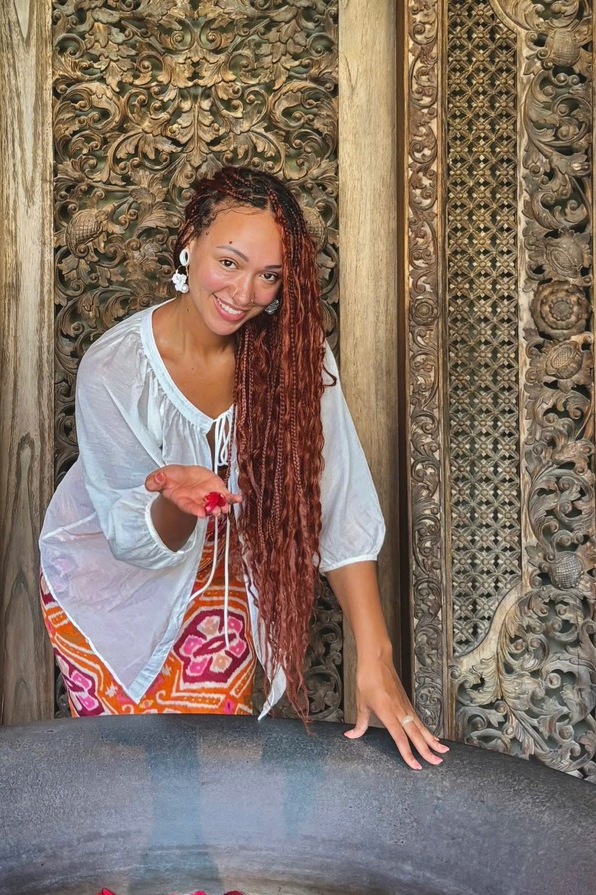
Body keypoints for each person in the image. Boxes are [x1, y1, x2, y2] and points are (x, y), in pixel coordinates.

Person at [39, 166, 448, 770]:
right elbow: (129, 538)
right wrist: (175, 505)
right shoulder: (114, 368)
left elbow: (335, 499)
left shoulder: (296, 353)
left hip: (225, 587)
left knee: (209, 786)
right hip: (109, 591)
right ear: (189, 244)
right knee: (129, 786)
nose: (244, 292)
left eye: (269, 275)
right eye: (228, 262)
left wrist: (376, 655)